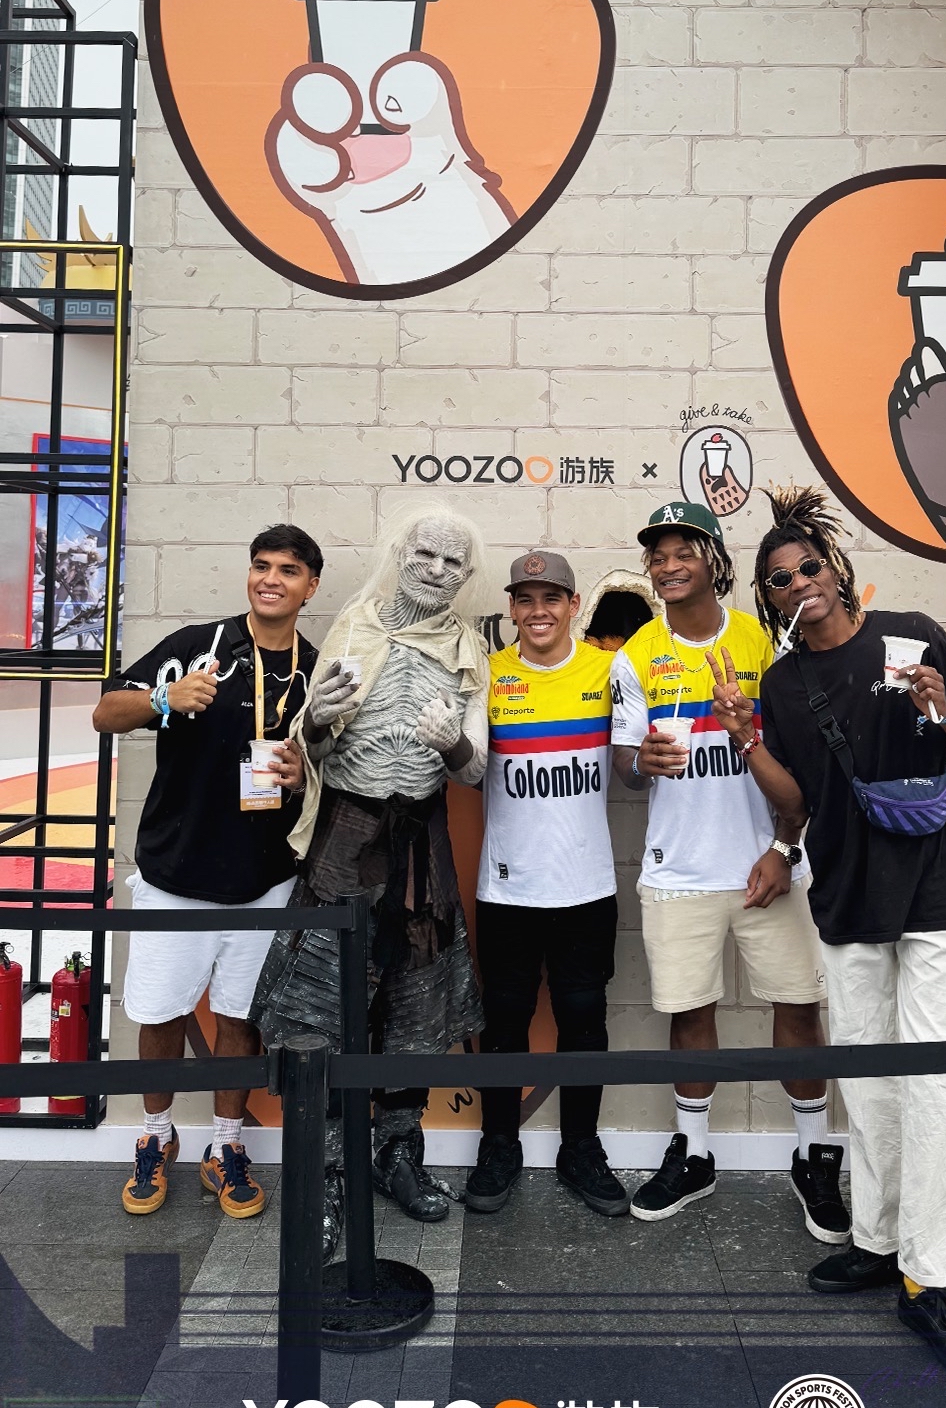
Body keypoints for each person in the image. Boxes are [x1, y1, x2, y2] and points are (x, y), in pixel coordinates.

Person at [736, 485, 946, 1384]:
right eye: (779, 579)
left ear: (836, 568)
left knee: (930, 1083)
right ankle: (880, 1239)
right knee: (871, 1078)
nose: (798, 583)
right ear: (768, 598)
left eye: (808, 565)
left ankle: (929, 1278)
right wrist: (748, 740)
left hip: (931, 893)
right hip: (846, 895)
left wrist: (943, 710)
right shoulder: (783, 683)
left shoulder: (913, 635)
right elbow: (798, 805)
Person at [252, 504, 488, 1255]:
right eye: (426, 555)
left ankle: (397, 1154)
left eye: (454, 562)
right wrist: (316, 720)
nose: (438, 571)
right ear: (400, 553)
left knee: (415, 1009)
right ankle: (326, 1172)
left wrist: (452, 746)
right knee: (321, 1012)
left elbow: (476, 769)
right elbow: (313, 752)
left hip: (420, 847)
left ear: (467, 575)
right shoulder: (353, 628)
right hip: (345, 841)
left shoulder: (469, 649)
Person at [611, 501, 846, 1243]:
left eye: (683, 552)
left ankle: (813, 1156)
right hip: (679, 870)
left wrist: (785, 848)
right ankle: (695, 1153)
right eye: (657, 556)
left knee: (798, 1008)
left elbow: (802, 760)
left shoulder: (764, 639)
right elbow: (625, 762)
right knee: (690, 1014)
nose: (668, 566)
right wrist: (641, 763)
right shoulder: (636, 654)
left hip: (770, 862)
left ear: (713, 561)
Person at [94, 524, 323, 1220]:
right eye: (261, 565)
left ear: (310, 587)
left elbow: (332, 769)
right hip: (176, 873)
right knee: (160, 1013)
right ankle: (155, 1135)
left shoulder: (316, 671)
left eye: (288, 570)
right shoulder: (200, 646)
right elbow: (106, 712)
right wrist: (164, 700)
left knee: (239, 1018)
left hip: (265, 879)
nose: (270, 579)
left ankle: (226, 1146)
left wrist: (302, 776)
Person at [464, 550, 630, 1219]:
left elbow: (634, 765)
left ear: (574, 605)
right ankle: (498, 1145)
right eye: (525, 599)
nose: (538, 611)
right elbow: (468, 770)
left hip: (585, 886)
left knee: (584, 1021)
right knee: (504, 1024)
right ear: (511, 608)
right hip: (507, 887)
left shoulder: (608, 670)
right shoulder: (489, 674)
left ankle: (580, 1148)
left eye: (551, 598)